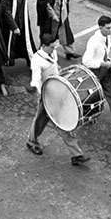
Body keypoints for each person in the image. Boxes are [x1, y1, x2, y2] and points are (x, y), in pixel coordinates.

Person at [26, 33, 89, 165]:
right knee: (60, 123)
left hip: (56, 91)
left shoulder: (51, 53)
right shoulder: (37, 60)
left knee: (42, 119)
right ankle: (76, 154)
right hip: (46, 96)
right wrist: (39, 94)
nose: (54, 49)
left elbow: (53, 66)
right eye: (51, 47)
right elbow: (36, 80)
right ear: (43, 46)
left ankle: (32, 141)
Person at [82, 15, 111, 131]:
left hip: (105, 69)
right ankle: (86, 115)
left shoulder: (105, 36)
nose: (110, 30)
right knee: (93, 96)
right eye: (108, 28)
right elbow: (86, 61)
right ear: (100, 27)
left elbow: (107, 44)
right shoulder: (93, 42)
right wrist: (103, 64)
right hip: (96, 71)